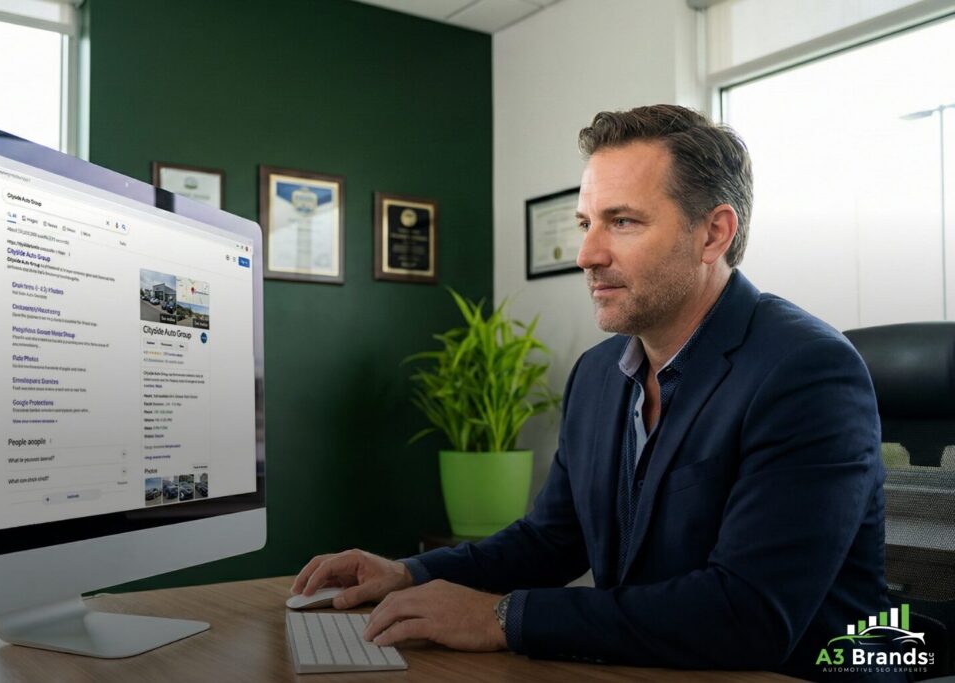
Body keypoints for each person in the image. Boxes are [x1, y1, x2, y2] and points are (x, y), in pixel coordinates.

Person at [292, 105, 895, 681]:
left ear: (713, 233)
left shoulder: (807, 372)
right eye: (586, 224)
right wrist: (408, 573)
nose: (586, 254)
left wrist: (502, 617)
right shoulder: (600, 372)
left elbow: (750, 614)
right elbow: (552, 539)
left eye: (622, 221)